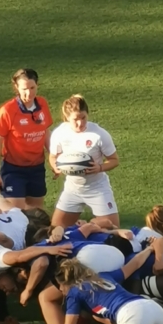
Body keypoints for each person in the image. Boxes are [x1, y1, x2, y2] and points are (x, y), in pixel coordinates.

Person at [49, 95, 120, 228]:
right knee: (56, 229)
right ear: (67, 118)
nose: (80, 123)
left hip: (97, 188)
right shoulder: (59, 133)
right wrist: (56, 167)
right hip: (72, 189)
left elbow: (114, 160)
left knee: (113, 229)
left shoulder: (99, 134)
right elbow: (53, 156)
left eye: (83, 118)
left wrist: (99, 167)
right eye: (75, 119)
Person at [0, 68, 53, 209]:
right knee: (15, 212)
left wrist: (54, 158)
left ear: (37, 85)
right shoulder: (8, 110)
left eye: (32, 88)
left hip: (37, 168)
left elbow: (45, 133)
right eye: (24, 89)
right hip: (14, 169)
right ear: (16, 87)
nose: (29, 93)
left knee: (36, 213)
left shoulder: (42, 104)